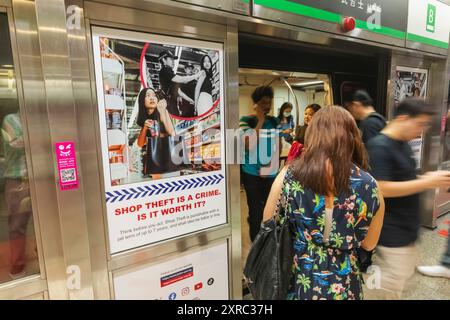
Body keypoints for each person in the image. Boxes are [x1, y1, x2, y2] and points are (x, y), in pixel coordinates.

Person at [263, 106, 385, 300]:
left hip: (298, 276)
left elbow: (268, 222)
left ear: (313, 136)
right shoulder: (370, 185)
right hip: (345, 281)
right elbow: (369, 244)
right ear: (352, 137)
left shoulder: (289, 176)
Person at [365, 98, 450, 300]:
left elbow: (404, 180)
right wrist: (426, 182)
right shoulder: (379, 147)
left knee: (401, 289)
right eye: (419, 124)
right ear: (403, 118)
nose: (421, 131)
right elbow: (381, 188)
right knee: (384, 293)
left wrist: (426, 179)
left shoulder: (402, 144)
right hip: (389, 240)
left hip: (406, 236)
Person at [240, 86, 281, 242]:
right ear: (255, 104)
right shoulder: (246, 120)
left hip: (270, 173)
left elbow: (277, 145)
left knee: (270, 210)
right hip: (251, 173)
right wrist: (260, 121)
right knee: (256, 212)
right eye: (263, 102)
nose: (267, 106)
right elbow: (248, 145)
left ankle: (268, 242)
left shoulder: (274, 121)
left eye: (269, 103)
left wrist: (271, 167)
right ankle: (256, 246)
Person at [1, 112, 33, 279]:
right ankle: (18, 267)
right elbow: (16, 143)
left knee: (50, 221)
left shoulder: (39, 119)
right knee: (17, 226)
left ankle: (48, 256)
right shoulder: (11, 119)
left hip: (42, 180)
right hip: (17, 179)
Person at [136, 87, 177, 179]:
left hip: (169, 158)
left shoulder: (162, 111)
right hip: (155, 161)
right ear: (142, 100)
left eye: (154, 95)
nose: (152, 98)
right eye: (148, 95)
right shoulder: (144, 119)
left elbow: (172, 133)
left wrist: (162, 112)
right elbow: (140, 144)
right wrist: (145, 128)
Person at [158, 50, 200, 117]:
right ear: (164, 60)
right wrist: (196, 75)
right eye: (170, 59)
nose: (173, 61)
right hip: (169, 106)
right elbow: (182, 80)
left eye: (173, 59)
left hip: (172, 105)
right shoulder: (165, 71)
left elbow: (179, 92)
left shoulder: (169, 72)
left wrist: (192, 101)